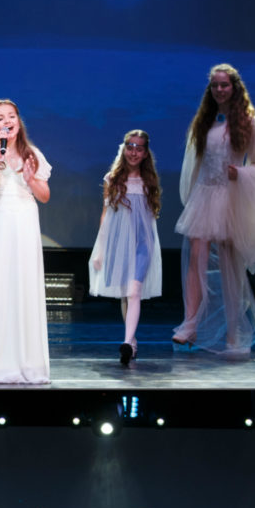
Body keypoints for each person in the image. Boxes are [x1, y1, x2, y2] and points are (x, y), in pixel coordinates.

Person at [173, 63, 255, 355]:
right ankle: (191, 322)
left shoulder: (248, 123)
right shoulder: (204, 121)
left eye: (224, 85)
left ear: (234, 88)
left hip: (230, 197)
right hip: (206, 194)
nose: (219, 90)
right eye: (215, 85)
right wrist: (192, 195)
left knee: (230, 267)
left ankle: (233, 332)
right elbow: (195, 163)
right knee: (197, 256)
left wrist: (240, 174)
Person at [0, 99, 52, 384]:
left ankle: (27, 363)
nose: (7, 121)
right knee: (0, 284)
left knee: (24, 285)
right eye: (0, 118)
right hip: (0, 222)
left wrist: (31, 179)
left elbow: (44, 196)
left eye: (11, 116)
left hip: (25, 222)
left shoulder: (33, 154)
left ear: (19, 120)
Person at [88, 129, 163, 365]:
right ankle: (132, 341)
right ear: (124, 149)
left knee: (134, 292)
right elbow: (106, 215)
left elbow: (149, 218)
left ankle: (128, 342)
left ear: (145, 153)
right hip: (118, 243)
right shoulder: (112, 179)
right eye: (130, 146)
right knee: (125, 295)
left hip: (142, 244)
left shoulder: (149, 181)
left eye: (139, 148)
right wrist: (100, 250)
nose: (133, 152)